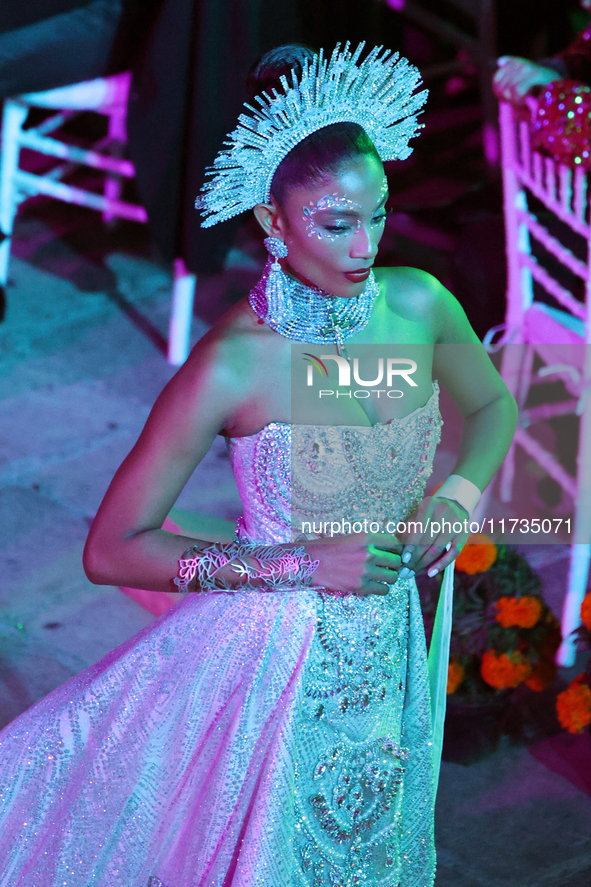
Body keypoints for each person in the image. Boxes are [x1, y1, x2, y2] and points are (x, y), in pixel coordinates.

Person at [0, 43, 517, 886]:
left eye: (378, 214)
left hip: (389, 644)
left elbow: (494, 406)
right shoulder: (233, 365)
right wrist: (301, 563)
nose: (364, 246)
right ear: (274, 223)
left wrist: (456, 494)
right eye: (335, 222)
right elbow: (113, 548)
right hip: (270, 661)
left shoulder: (418, 302)